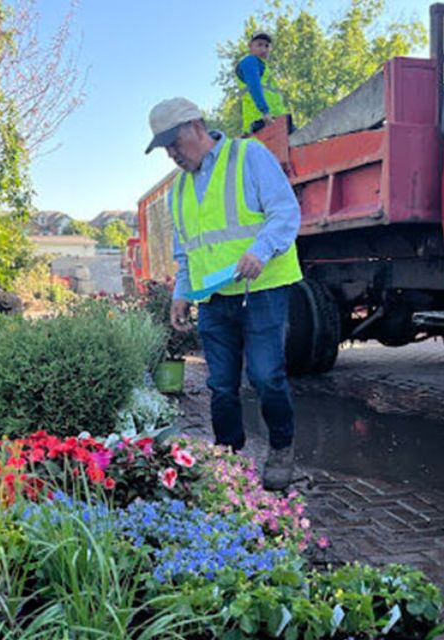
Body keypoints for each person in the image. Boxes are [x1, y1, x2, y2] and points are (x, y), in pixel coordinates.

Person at [144, 97, 303, 491]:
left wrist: (260, 251)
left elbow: (285, 212)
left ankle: (281, 449)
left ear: (196, 126)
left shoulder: (248, 155)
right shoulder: (177, 190)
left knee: (266, 377)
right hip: (213, 297)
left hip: (261, 288)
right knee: (220, 385)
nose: (172, 154)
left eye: (174, 142)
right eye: (164, 148)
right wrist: (181, 294)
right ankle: (228, 458)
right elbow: (186, 251)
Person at [235, 31, 287, 134]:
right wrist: (265, 111)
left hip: (277, 120)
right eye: (259, 45)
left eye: (267, 46)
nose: (264, 49)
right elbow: (254, 85)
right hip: (262, 121)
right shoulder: (250, 61)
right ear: (250, 46)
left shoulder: (264, 68)